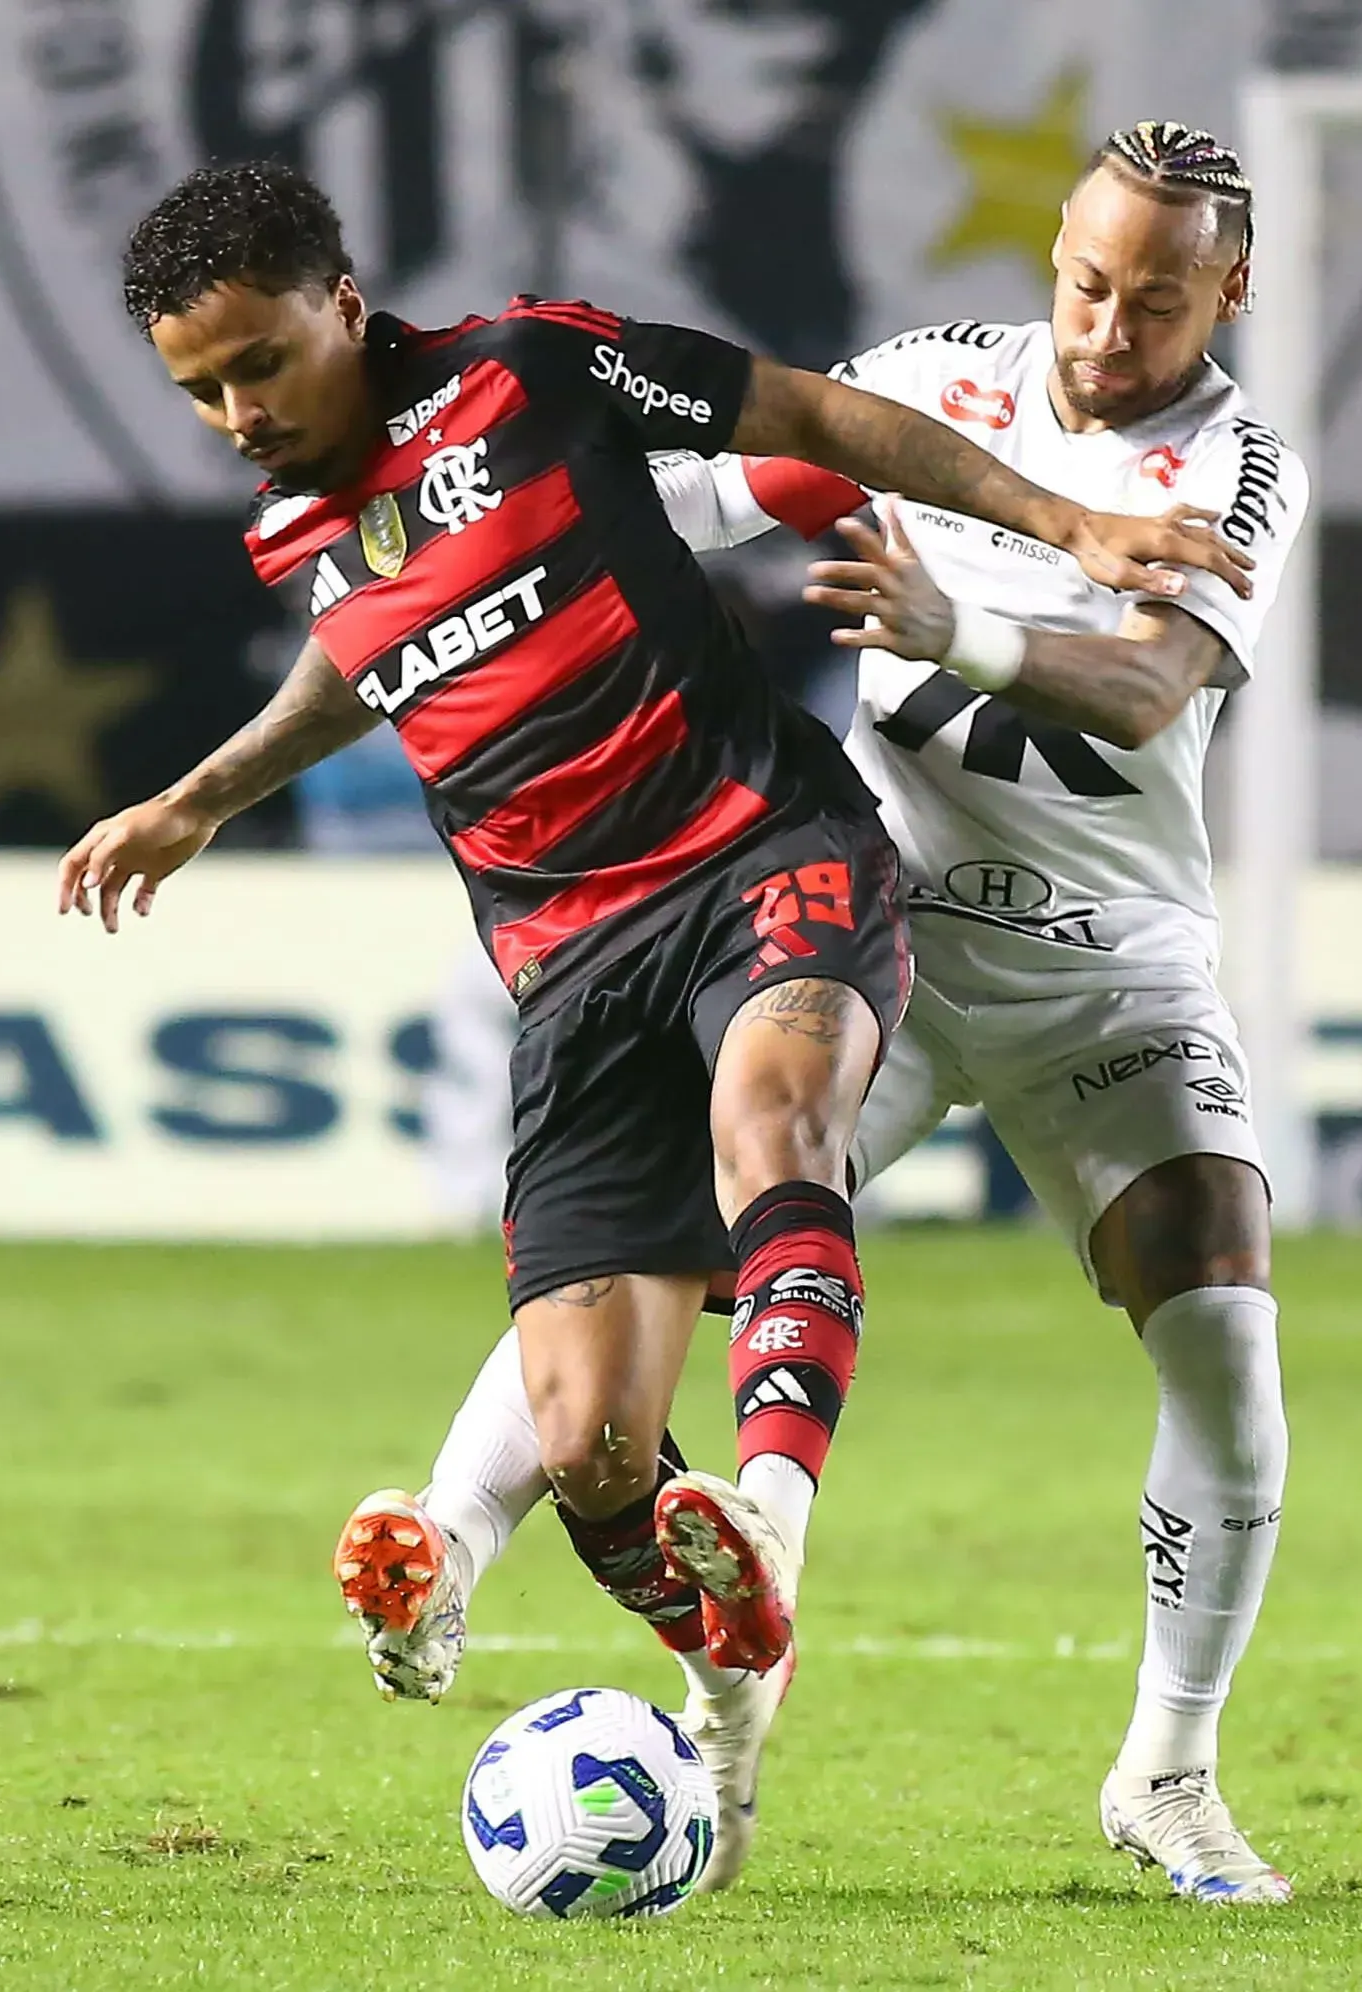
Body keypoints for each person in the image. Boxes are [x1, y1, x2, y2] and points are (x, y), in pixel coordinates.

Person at [53, 157, 1251, 1861]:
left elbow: (811, 415)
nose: (239, 410)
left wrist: (1068, 526)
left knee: (774, 1124)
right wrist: (204, 794)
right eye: (200, 390)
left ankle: (762, 1511)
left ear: (339, 299)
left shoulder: (529, 370)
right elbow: (378, 643)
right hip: (568, 963)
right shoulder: (295, 526)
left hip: (760, 844)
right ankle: (717, 1634)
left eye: (259, 363)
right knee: (593, 1445)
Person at [354, 123, 1310, 1905]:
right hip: (870, 919)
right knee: (661, 1237)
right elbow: (705, 492)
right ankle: (460, 1536)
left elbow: (1142, 682)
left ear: (1227, 291)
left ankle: (1166, 1772)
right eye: (1084, 281)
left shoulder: (1241, 463)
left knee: (1227, 1351)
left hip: (1106, 956)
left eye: (1153, 298)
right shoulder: (937, 390)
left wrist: (954, 625)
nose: (1105, 326)